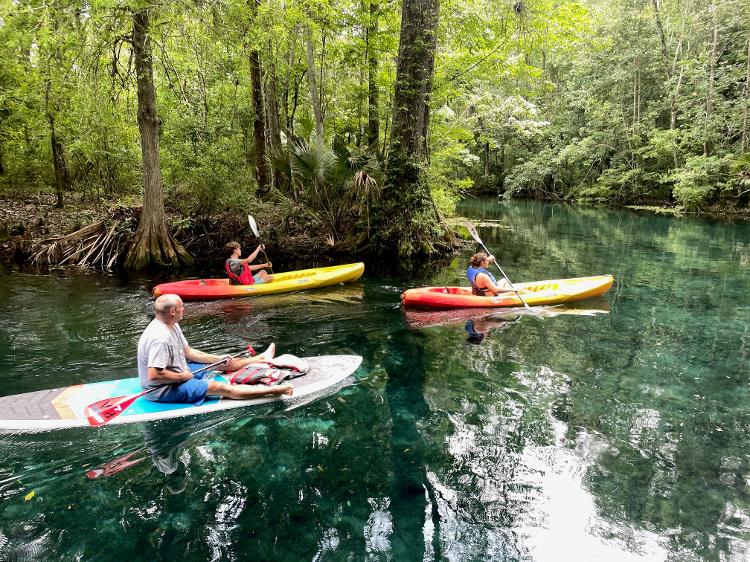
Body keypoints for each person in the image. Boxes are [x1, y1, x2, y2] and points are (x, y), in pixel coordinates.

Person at [137, 294, 293, 404]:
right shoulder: (160, 338)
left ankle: (261, 359)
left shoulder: (172, 324)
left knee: (223, 362)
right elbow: (154, 374)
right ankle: (277, 390)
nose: (184, 309)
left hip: (180, 371)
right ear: (172, 311)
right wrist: (182, 377)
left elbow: (189, 352)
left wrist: (218, 359)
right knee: (220, 388)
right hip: (163, 389)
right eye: (181, 306)